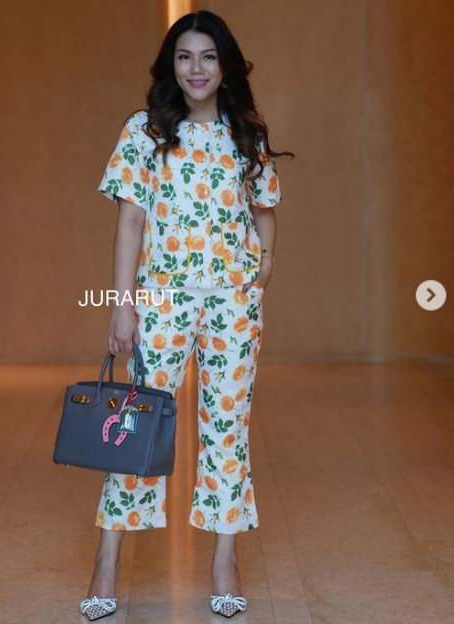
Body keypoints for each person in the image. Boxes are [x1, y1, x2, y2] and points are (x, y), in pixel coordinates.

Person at [79, 10, 293, 621]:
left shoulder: (245, 132)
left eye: (207, 56)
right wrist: (123, 304)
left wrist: (263, 266)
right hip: (162, 302)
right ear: (170, 66)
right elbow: (130, 221)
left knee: (227, 430)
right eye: (183, 56)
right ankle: (106, 562)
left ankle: (225, 562)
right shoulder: (145, 130)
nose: (196, 68)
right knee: (136, 427)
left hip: (233, 305)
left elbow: (265, 208)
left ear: (225, 66)